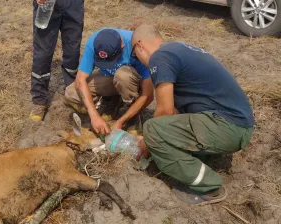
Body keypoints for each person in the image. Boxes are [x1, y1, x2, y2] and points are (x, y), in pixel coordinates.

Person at [131, 24, 255, 204]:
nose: (138, 60)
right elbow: (175, 110)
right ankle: (203, 157)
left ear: (140, 45)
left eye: (135, 54)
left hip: (229, 127)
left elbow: (164, 111)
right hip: (239, 124)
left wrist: (148, 141)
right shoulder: (178, 49)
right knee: (165, 127)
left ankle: (210, 187)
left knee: (152, 129)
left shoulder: (160, 57)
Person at [64, 28, 154, 136]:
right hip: (110, 80)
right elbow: (80, 80)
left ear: (122, 46)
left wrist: (122, 120)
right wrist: (94, 115)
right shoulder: (94, 43)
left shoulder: (137, 47)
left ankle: (132, 114)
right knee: (71, 93)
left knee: (123, 75)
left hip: (131, 83)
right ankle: (108, 101)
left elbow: (148, 95)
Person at [30, 0, 84, 122]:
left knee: (73, 50)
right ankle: (39, 100)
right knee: (42, 54)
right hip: (47, 3)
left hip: (73, 5)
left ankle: (72, 93)